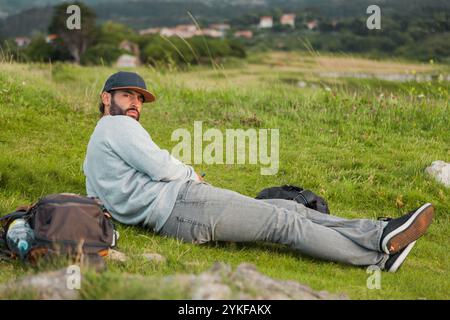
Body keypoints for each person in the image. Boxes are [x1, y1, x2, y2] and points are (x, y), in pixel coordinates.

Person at [83, 71, 434, 273]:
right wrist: (192, 174)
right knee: (285, 225)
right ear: (105, 98)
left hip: (176, 215)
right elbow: (160, 166)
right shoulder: (118, 127)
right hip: (183, 203)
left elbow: (99, 199)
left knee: (292, 210)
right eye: (127, 95)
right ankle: (375, 256)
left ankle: (379, 233)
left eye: (140, 99)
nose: (135, 103)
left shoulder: (95, 148)